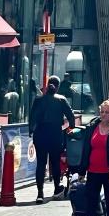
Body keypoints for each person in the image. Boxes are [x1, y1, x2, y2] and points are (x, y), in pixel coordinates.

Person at [76, 100, 109, 216]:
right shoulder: (93, 127)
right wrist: (82, 170)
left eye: (107, 112)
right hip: (93, 170)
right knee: (91, 200)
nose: (104, 115)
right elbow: (86, 149)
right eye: (102, 112)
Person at [29, 75, 75, 204]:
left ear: (48, 84)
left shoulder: (38, 100)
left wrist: (30, 131)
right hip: (55, 134)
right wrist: (71, 127)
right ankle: (56, 189)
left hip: (40, 134)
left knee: (41, 164)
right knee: (55, 162)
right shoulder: (61, 100)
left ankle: (40, 193)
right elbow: (71, 116)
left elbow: (32, 118)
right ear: (58, 86)